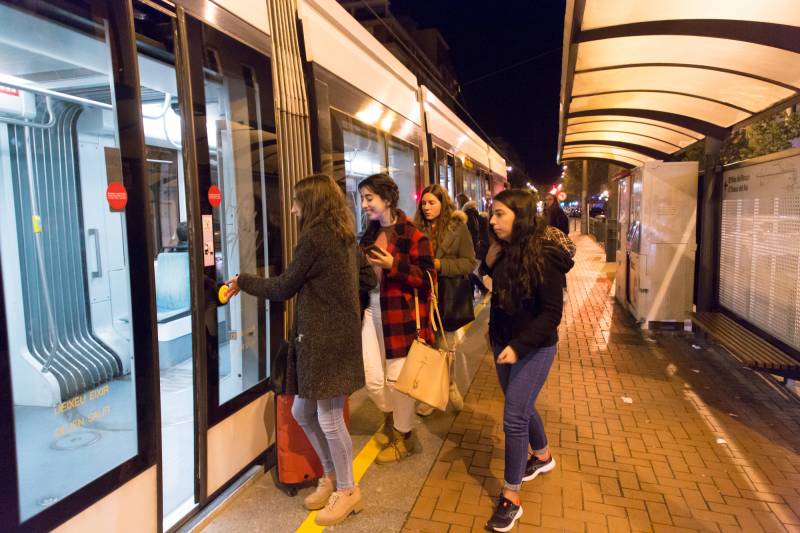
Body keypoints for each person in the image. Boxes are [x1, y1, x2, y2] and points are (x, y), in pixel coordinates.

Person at [225, 174, 375, 526]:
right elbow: (370, 280)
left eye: (296, 202)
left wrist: (243, 281)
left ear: (310, 203)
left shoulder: (315, 238)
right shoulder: (344, 237)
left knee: (328, 418)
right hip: (332, 339)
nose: (292, 208)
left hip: (327, 342)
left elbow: (283, 287)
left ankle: (349, 490)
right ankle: (331, 477)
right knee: (301, 412)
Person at [482, 189, 574, 532]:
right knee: (519, 404)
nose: (493, 220)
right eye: (493, 213)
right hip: (503, 344)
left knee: (514, 418)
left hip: (534, 348)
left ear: (519, 215)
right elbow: (493, 289)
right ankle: (543, 455)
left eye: (500, 214)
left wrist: (519, 346)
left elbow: (551, 314)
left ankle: (511, 497)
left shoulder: (544, 256)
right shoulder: (503, 249)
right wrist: (487, 262)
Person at [358, 173, 435, 464]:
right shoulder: (369, 233)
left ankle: (405, 436)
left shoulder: (413, 234)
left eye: (369, 198)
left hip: (400, 316)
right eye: (363, 198)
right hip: (372, 309)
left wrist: (393, 264)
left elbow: (428, 279)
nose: (364, 204)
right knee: (373, 379)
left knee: (397, 381)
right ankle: (395, 420)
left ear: (387, 199)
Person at [414, 185, 478, 416]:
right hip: (422, 296)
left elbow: (470, 262)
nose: (427, 208)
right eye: (424, 203)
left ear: (443, 203)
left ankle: (445, 387)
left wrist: (442, 266)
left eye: (432, 203)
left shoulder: (457, 227)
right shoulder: (417, 228)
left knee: (443, 346)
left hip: (446, 296)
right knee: (428, 347)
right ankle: (442, 387)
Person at [457, 192, 489, 295]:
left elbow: (471, 232)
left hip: (470, 247)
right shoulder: (473, 212)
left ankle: (480, 289)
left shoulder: (466, 214)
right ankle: (478, 291)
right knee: (468, 271)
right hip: (475, 246)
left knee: (467, 272)